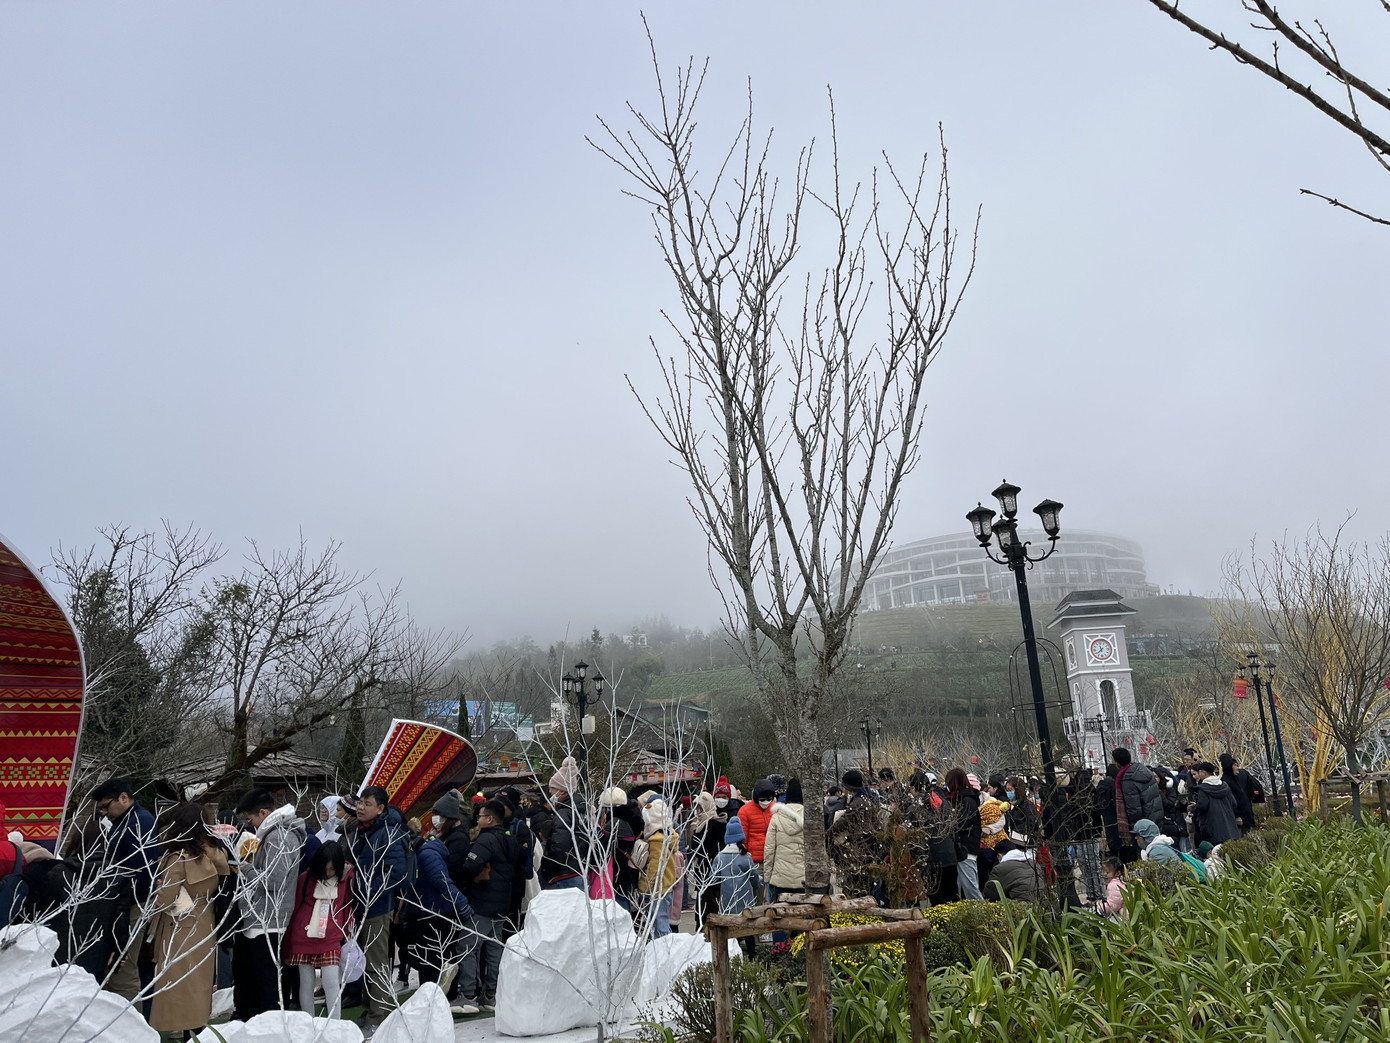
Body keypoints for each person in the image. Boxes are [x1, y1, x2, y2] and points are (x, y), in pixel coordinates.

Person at [146, 804, 230, 1038]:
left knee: (178, 983)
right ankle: (198, 1030)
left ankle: (182, 1031)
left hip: (178, 925)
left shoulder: (178, 857)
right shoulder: (215, 852)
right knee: (199, 983)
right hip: (205, 921)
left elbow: (165, 898)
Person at [233, 788, 306, 1021]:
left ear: (263, 812)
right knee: (258, 980)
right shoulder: (274, 833)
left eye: (251, 818)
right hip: (263, 918)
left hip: (269, 919)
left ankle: (269, 1026)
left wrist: (246, 867)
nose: (251, 824)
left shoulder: (279, 836)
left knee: (268, 983)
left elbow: (274, 880)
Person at [90, 778, 159, 1000]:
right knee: (115, 968)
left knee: (123, 969)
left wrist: (124, 902)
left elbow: (144, 870)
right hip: (121, 903)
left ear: (124, 798)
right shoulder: (125, 822)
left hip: (132, 904)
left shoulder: (141, 822)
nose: (104, 812)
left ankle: (133, 1030)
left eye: (106, 806)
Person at [347, 785, 410, 1027]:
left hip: (377, 907)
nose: (361, 807)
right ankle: (369, 1009)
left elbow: (395, 872)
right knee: (364, 963)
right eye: (360, 802)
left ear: (381, 808)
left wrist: (367, 891)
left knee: (376, 963)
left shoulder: (388, 833)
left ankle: (378, 1016)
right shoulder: (363, 831)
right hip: (360, 906)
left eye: (367, 804)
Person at [456, 799, 518, 1012]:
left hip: (482, 901)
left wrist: (468, 879)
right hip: (503, 903)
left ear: (489, 819)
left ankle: (468, 994)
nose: (477, 819)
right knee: (494, 950)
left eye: (480, 816)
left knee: (467, 947)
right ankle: (491, 994)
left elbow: (470, 866)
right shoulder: (511, 839)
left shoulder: (485, 840)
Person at [284, 839, 354, 1020]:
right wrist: (288, 940)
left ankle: (335, 1024)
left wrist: (348, 932)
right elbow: (296, 907)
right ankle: (308, 1023)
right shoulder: (306, 878)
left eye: (331, 869)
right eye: (324, 868)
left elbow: (347, 907)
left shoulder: (346, 878)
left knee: (331, 980)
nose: (327, 873)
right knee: (306, 982)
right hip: (303, 936)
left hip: (331, 937)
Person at [535, 758, 587, 890]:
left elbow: (560, 846)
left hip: (564, 875)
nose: (550, 792)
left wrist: (548, 868)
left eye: (552, 788)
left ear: (562, 790)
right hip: (578, 869)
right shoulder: (580, 809)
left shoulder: (564, 812)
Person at [711, 817, 757, 956]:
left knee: (730, 928)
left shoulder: (720, 857)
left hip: (726, 898)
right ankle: (751, 955)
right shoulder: (745, 856)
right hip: (745, 898)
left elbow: (713, 879)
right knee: (748, 928)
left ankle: (732, 955)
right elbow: (753, 876)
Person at [494, 787, 534, 934]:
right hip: (494, 887)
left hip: (514, 884)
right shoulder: (492, 823)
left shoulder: (519, 827)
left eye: (501, 805)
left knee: (510, 927)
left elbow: (522, 853)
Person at [684, 791, 726, 928]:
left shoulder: (709, 825)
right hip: (709, 868)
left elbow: (697, 847)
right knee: (707, 900)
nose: (697, 811)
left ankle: (705, 927)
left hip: (707, 868)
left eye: (700, 807)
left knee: (706, 901)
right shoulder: (709, 823)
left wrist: (694, 831)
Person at [639, 799, 680, 937]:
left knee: (657, 924)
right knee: (661, 919)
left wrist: (646, 886)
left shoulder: (656, 840)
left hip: (655, 889)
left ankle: (661, 950)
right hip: (665, 886)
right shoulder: (668, 836)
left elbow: (655, 867)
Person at [762, 778, 806, 904]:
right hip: (803, 878)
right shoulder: (810, 817)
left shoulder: (776, 817)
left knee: (780, 917)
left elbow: (769, 849)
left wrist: (767, 877)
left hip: (780, 878)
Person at [1113, 749, 1164, 853]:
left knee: (1148, 854)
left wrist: (1134, 828)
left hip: (1143, 825)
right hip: (1155, 817)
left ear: (1117, 763)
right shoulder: (1143, 771)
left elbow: (1134, 808)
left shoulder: (1128, 778)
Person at [945, 768, 983, 900]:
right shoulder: (964, 799)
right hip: (963, 848)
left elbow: (964, 823)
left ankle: (985, 915)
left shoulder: (967, 801)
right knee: (963, 886)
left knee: (970, 887)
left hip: (966, 848)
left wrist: (949, 825)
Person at [736, 779, 777, 893]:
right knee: (757, 892)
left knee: (774, 894)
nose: (766, 802)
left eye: (769, 799)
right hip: (755, 861)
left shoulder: (775, 809)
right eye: (762, 800)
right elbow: (743, 837)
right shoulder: (745, 811)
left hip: (773, 859)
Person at [1191, 762, 1241, 846]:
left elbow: (1202, 806)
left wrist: (1193, 810)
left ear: (1204, 773)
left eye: (1199, 772)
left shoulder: (1203, 788)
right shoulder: (1225, 785)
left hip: (1212, 828)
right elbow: (1234, 803)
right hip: (1229, 827)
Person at [983, 838, 1041, 903]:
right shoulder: (1034, 863)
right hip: (1042, 905)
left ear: (999, 856)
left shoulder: (1000, 869)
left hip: (1021, 906)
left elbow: (990, 895)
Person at [1219, 754, 1257, 832]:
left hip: (1245, 815)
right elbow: (1231, 800)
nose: (1237, 768)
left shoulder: (1236, 780)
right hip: (1239, 817)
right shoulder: (1226, 782)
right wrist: (1237, 815)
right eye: (1235, 766)